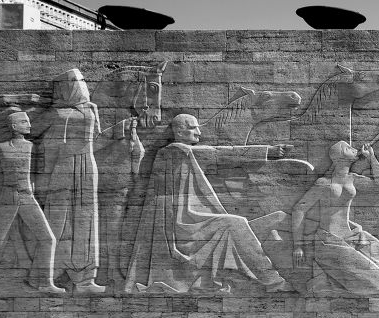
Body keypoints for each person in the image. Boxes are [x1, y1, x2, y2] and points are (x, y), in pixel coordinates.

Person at [124, 114, 293, 293]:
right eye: (193, 128)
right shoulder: (176, 151)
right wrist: (268, 151)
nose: (199, 132)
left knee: (266, 220)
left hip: (191, 220)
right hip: (183, 226)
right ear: (179, 132)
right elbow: (218, 153)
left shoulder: (176, 153)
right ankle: (274, 282)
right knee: (235, 223)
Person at [0, 109, 64, 294]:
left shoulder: (32, 147)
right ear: (14, 126)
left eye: (29, 121)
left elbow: (36, 174)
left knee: (48, 239)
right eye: (24, 122)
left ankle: (46, 283)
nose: (29, 124)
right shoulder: (0, 148)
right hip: (8, 196)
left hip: (27, 197)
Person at [32, 69, 105, 293]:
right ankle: (46, 275)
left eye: (81, 80)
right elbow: (32, 131)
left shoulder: (91, 109)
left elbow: (98, 137)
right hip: (62, 166)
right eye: (74, 81)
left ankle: (84, 279)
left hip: (87, 165)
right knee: (58, 218)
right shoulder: (55, 112)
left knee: (86, 219)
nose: (80, 84)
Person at [291, 141, 379, 294]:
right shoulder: (324, 183)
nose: (354, 149)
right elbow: (299, 209)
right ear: (339, 156)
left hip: (352, 236)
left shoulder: (353, 179)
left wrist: (372, 158)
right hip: (329, 241)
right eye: (348, 148)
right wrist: (298, 245)